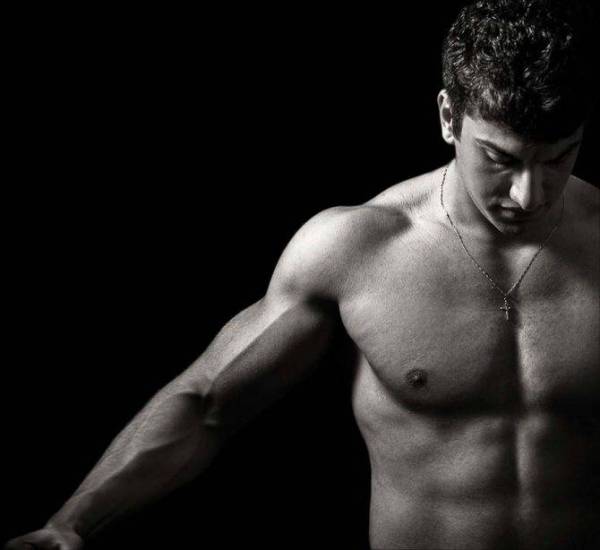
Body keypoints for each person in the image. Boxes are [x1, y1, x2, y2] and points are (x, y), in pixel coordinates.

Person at [6, 0, 599, 548]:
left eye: (558, 158)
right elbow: (208, 404)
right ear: (449, 117)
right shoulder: (359, 249)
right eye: (499, 159)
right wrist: (72, 522)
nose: (529, 194)